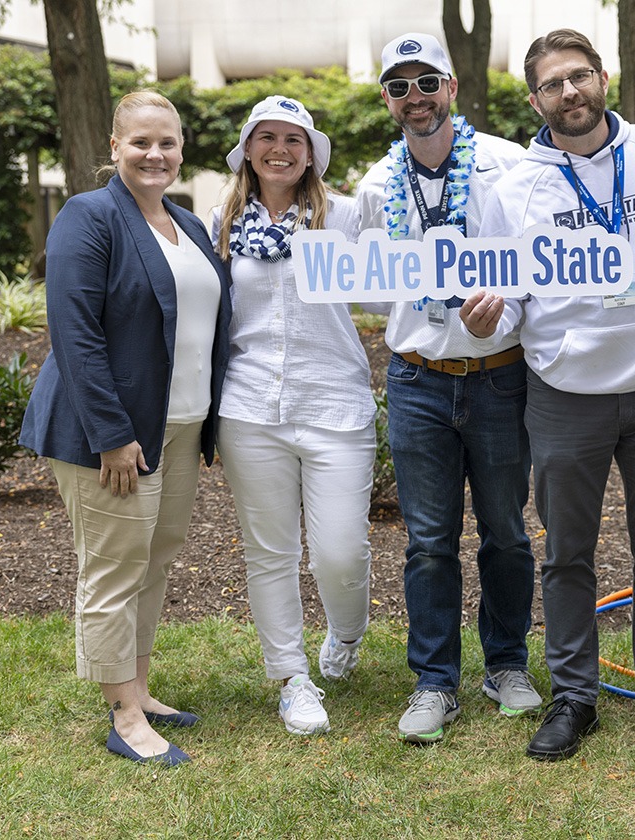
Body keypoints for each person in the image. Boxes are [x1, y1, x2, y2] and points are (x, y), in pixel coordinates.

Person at [465, 29, 635, 762]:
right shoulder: (515, 186)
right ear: (535, 100)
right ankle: (575, 697)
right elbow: (507, 296)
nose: (569, 94)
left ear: (603, 78)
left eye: (578, 77)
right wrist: (490, 316)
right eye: (551, 85)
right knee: (567, 554)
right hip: (565, 394)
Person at [19, 91, 232, 766]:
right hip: (110, 433)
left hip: (177, 424)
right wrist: (112, 432)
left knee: (156, 558)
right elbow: (75, 333)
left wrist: (207, 427)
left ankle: (139, 687)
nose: (155, 154)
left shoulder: (187, 224)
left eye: (166, 143)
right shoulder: (90, 216)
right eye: (140, 142)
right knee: (114, 568)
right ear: (114, 147)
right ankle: (123, 715)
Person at [353, 33, 540, 744]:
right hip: (417, 380)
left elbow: (535, 262)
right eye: (400, 87)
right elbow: (371, 289)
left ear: (453, 87)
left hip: (497, 376)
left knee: (507, 534)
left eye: (426, 81)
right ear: (387, 102)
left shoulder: (507, 164)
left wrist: (508, 302)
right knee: (429, 542)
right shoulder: (377, 185)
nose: (416, 98)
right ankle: (434, 682)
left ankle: (507, 665)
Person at [213, 96, 375, 736]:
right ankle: (292, 677)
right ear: (248, 149)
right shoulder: (215, 224)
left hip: (334, 403)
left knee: (340, 552)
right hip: (251, 408)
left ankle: (347, 631)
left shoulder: (343, 219)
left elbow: (391, 284)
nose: (280, 149)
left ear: (311, 154)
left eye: (294, 139)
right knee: (269, 552)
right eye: (267, 137)